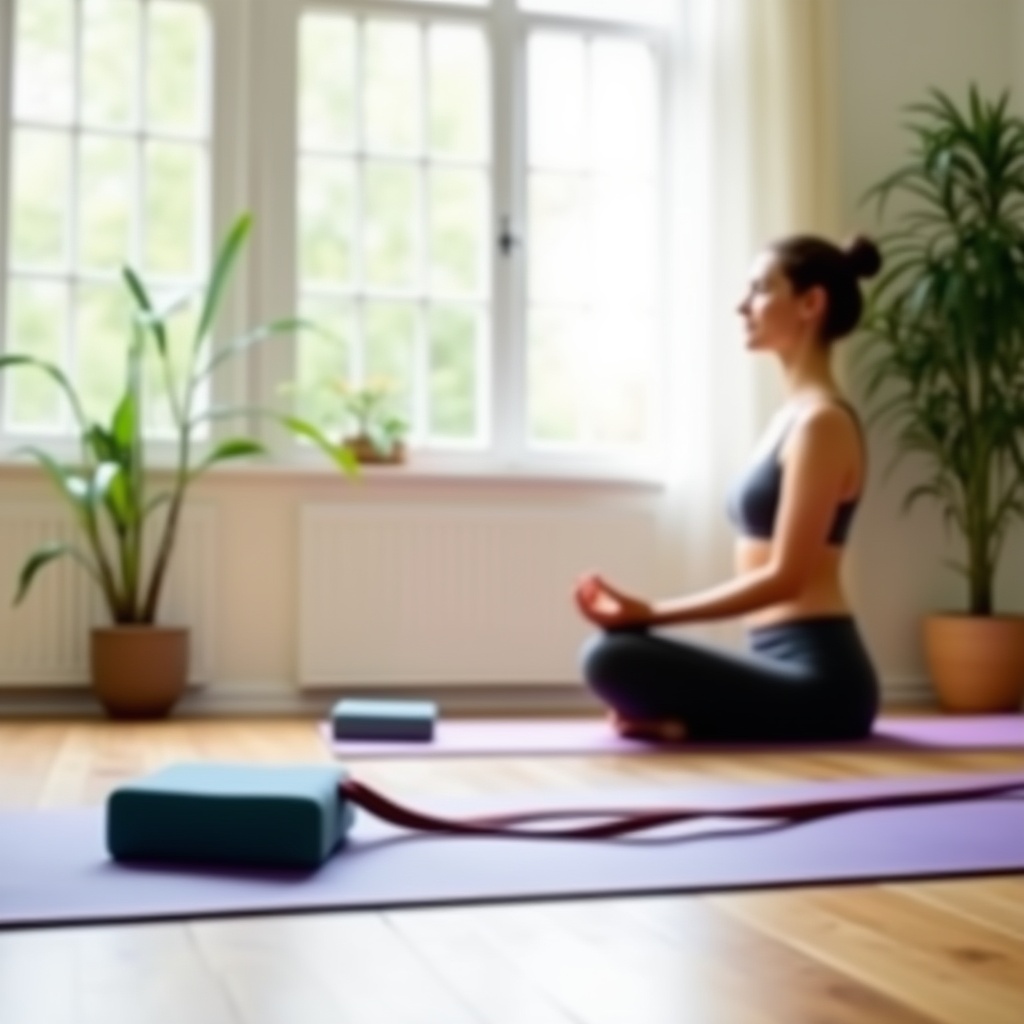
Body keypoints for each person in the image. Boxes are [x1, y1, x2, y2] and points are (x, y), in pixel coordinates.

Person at [575, 233, 883, 743]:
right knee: (611, 654)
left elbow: (786, 578)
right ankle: (690, 721)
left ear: (811, 303)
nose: (743, 306)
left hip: (824, 683)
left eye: (761, 289)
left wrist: (650, 612)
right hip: (770, 658)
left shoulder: (822, 425)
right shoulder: (790, 419)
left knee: (612, 656)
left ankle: (690, 722)